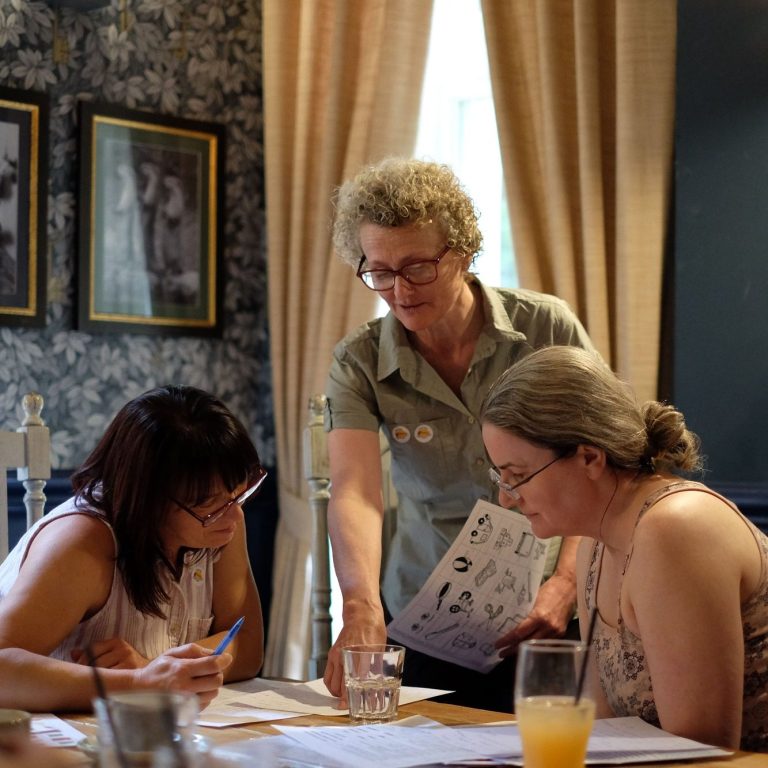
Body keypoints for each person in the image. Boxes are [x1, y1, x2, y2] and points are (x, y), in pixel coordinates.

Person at [322, 157, 596, 711]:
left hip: (546, 614)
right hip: (425, 618)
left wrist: (567, 583)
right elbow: (355, 492)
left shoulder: (545, 328)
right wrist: (360, 607)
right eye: (379, 271)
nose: (399, 290)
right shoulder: (359, 360)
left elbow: (604, 463)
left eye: (419, 267)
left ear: (464, 253)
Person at [480, 345, 768, 751]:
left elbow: (700, 751)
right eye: (501, 478)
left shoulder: (676, 530)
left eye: (519, 476)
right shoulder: (593, 548)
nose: (507, 499)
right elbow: (606, 734)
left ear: (589, 458)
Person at [0, 385, 266, 712]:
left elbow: (248, 648)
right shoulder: (82, 542)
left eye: (238, 494)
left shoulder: (219, 525)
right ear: (148, 500)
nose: (235, 515)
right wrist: (140, 682)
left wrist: (153, 666)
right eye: (209, 505)